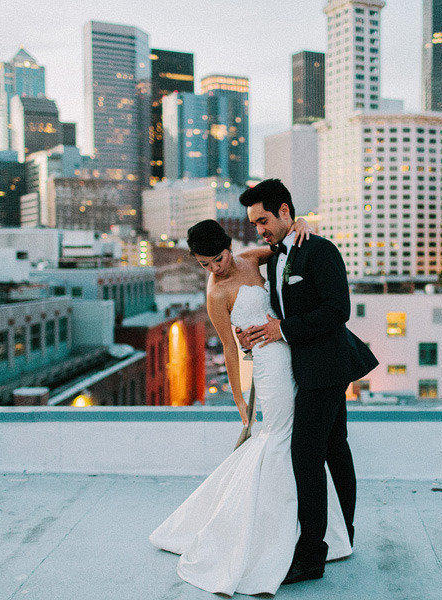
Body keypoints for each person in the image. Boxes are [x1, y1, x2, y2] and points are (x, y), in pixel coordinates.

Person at [149, 215, 353, 596]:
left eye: (218, 259)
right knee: (281, 437)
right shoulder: (215, 294)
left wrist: (303, 224)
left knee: (302, 441)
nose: (214, 268)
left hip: (294, 351)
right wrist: (239, 396)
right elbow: (229, 347)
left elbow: (284, 248)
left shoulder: (250, 258)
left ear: (229, 247)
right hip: (269, 366)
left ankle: (306, 530)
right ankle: (273, 533)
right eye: (205, 264)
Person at [236, 179, 378, 585]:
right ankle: (342, 535)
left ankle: (312, 554)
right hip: (306, 369)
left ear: (285, 212)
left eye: (263, 220)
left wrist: (283, 329)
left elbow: (339, 310)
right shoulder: (278, 251)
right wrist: (260, 334)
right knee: (335, 448)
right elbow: (245, 261)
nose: (259, 229)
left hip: (328, 368)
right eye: (253, 223)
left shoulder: (320, 250)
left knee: (305, 453)